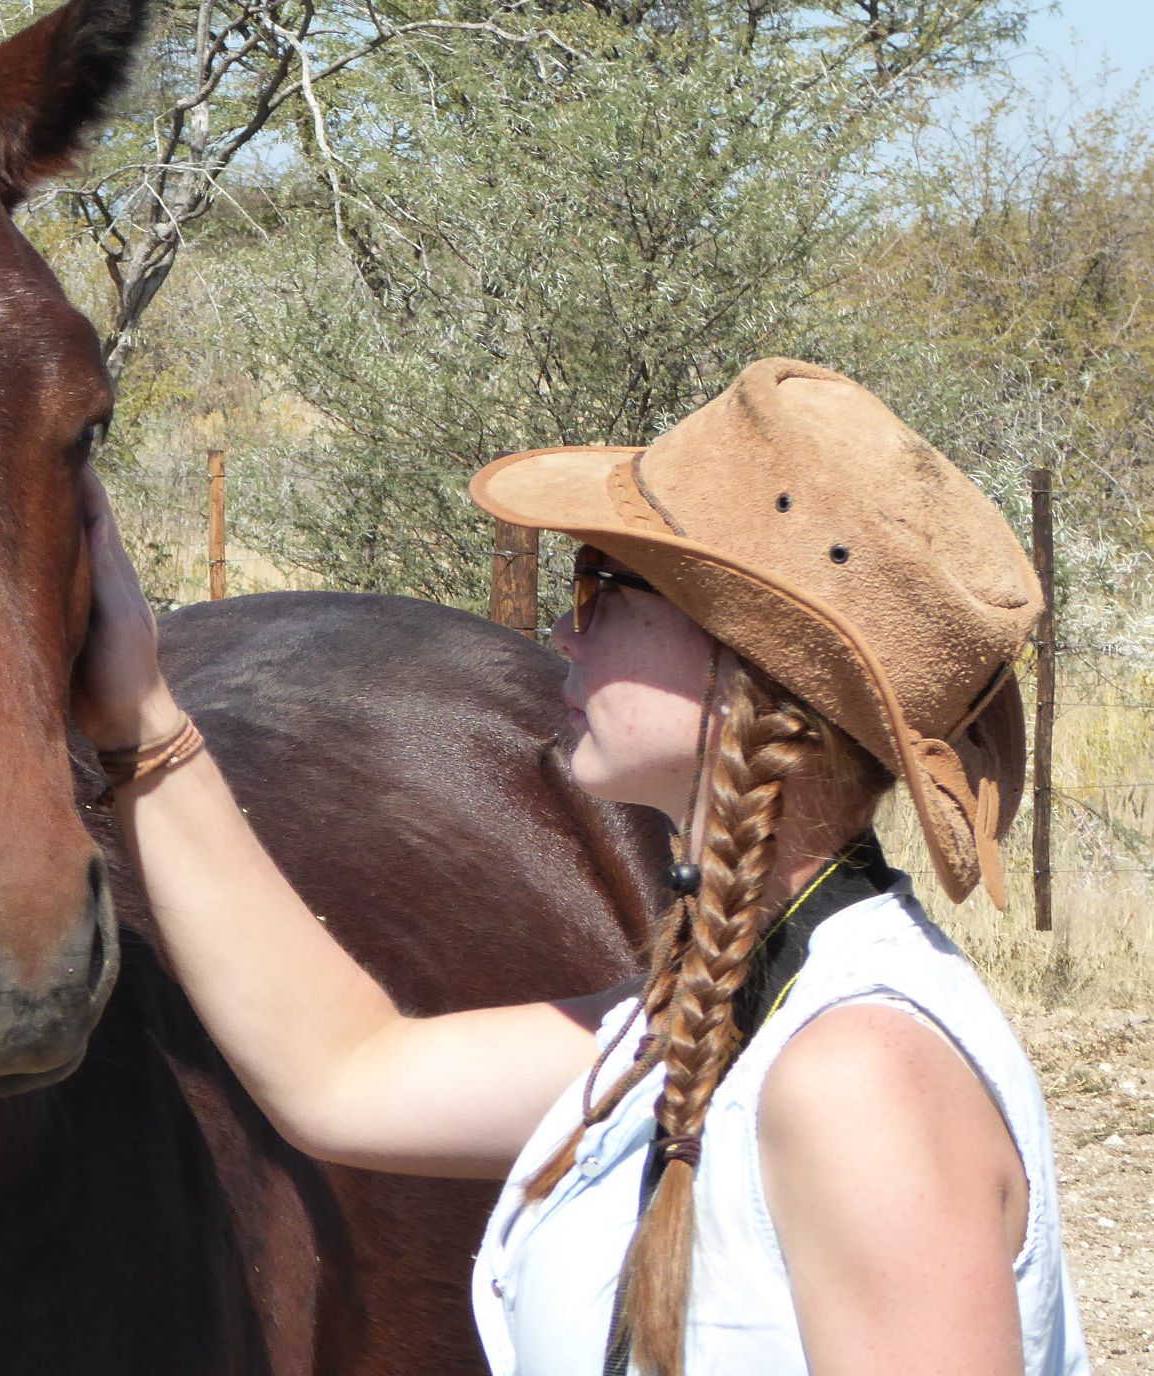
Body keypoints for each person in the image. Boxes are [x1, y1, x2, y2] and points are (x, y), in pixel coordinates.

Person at [70, 358, 1090, 1376]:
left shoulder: (858, 1077)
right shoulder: (725, 1016)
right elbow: (342, 1069)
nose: (565, 624)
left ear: (746, 663)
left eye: (604, 582)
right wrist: (143, 713)